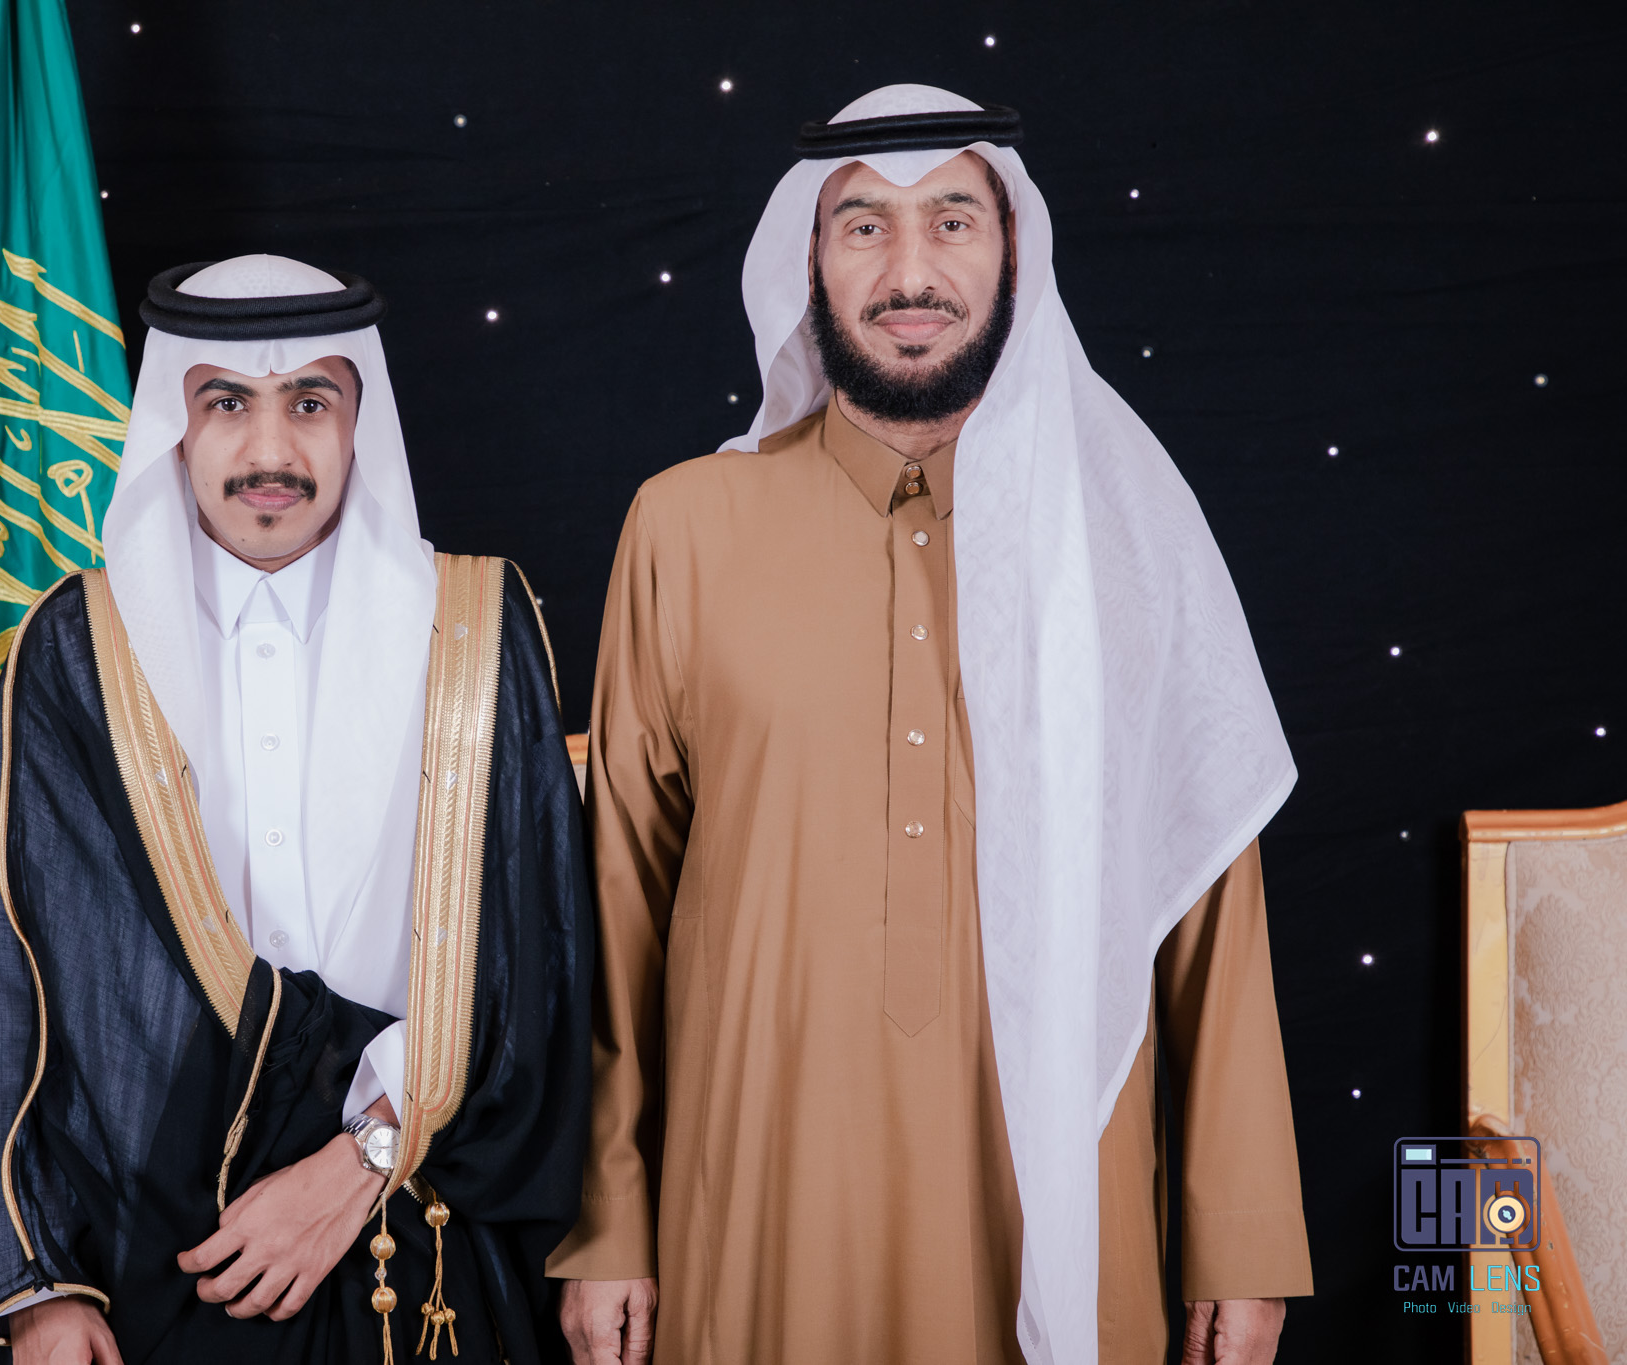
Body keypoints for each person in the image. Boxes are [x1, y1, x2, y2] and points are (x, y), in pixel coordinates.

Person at [551, 86, 1313, 1365]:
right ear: (809, 259)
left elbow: (1208, 911)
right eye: (864, 226)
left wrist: (1238, 1241)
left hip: (1055, 1204)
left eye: (952, 221)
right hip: (753, 1211)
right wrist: (607, 1223)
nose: (909, 272)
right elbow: (616, 910)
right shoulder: (682, 526)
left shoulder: (1118, 537)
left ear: (1014, 252)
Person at [0, 254, 593, 1365]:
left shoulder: (474, 627)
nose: (271, 452)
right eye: (227, 403)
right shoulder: (78, 647)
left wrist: (360, 1159)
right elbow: (2, 984)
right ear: (175, 426)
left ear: (359, 421)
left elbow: (540, 955)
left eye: (310, 403)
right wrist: (39, 1288)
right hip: (149, 1260)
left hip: (415, 1234)